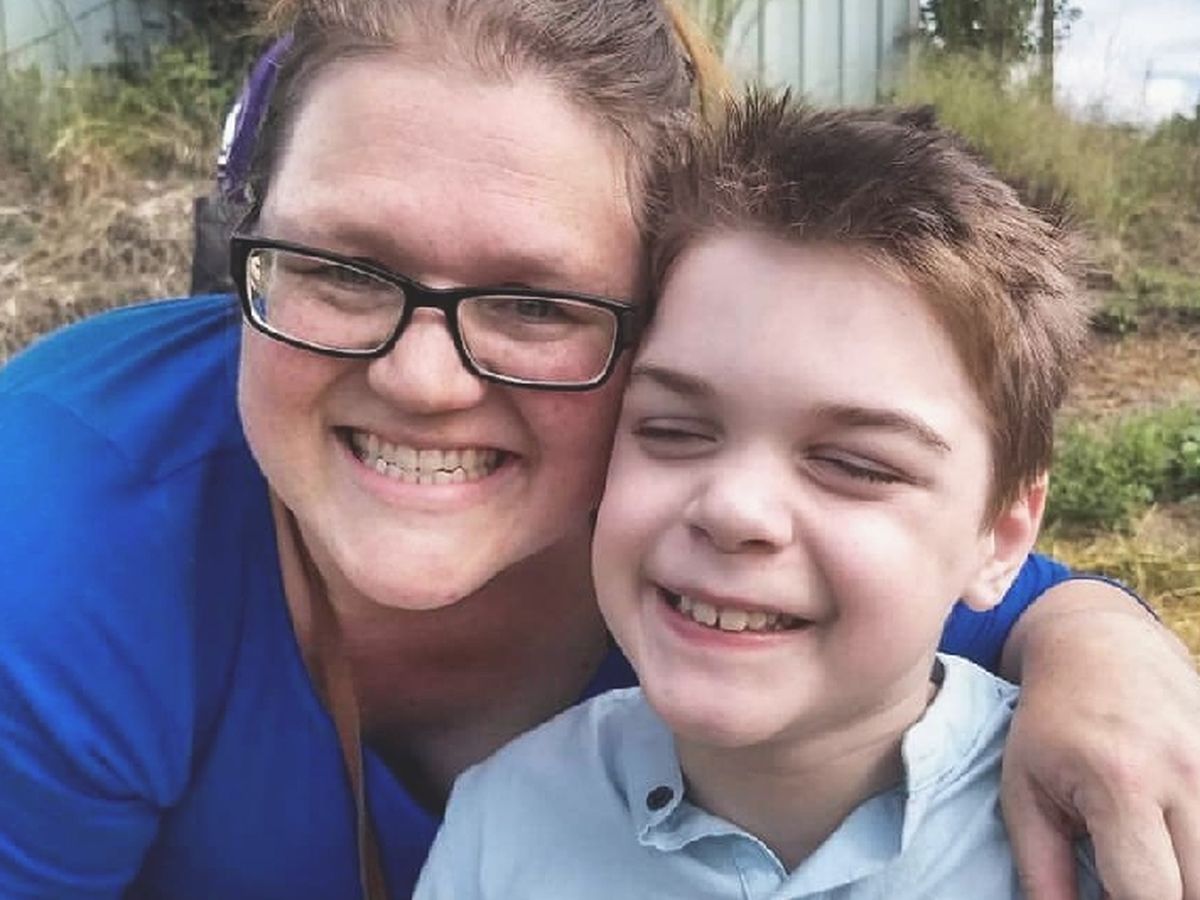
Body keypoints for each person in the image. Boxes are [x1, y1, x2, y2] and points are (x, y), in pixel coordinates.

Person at [0, 1, 1196, 898]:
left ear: (668, 324)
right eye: (339, 269)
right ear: (244, 243)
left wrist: (1105, 648)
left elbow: (974, 560)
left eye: (536, 304)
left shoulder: (713, 535)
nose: (422, 380)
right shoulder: (53, 539)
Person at [413, 92, 1101, 898]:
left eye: (856, 464)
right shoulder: (504, 823)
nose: (733, 509)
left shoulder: (1106, 835)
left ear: (1004, 536)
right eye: (673, 430)